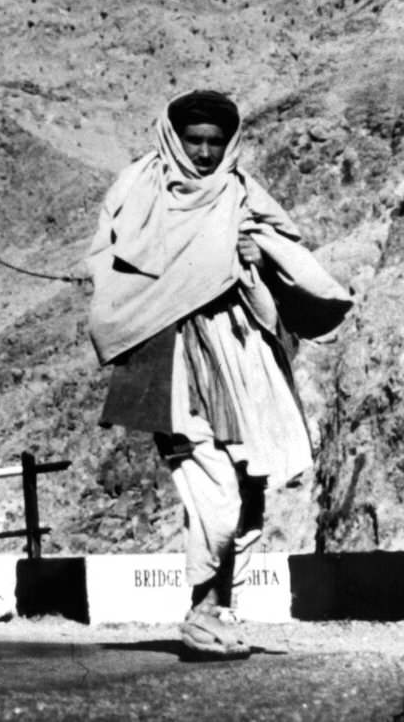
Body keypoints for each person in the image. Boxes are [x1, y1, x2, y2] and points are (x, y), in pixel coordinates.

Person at [86, 89, 352, 659]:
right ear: (174, 138)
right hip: (172, 358)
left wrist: (255, 262)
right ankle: (201, 613)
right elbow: (105, 267)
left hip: (239, 351)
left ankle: (217, 608)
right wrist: (151, 300)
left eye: (215, 142)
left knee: (250, 483)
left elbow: (284, 262)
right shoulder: (138, 190)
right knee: (213, 491)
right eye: (194, 140)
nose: (204, 153)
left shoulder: (241, 192)